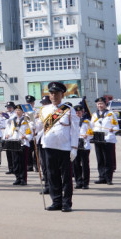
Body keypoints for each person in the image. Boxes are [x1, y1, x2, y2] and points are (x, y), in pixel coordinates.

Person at [40, 82, 79, 212]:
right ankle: (56, 201)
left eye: (56, 93)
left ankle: (66, 203)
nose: (54, 96)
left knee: (66, 177)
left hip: (64, 147)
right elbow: (40, 127)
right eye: (51, 93)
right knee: (52, 175)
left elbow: (75, 130)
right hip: (49, 146)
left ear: (62, 94)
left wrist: (74, 147)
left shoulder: (68, 109)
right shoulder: (44, 110)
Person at [91, 96, 117, 185]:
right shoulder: (94, 115)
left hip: (108, 139)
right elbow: (91, 126)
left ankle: (109, 178)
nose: (100, 105)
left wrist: (112, 130)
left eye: (101, 103)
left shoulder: (111, 114)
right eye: (98, 104)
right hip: (98, 139)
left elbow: (116, 127)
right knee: (100, 159)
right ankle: (101, 177)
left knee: (108, 159)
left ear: (105, 104)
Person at [3, 105, 31, 186]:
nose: (17, 112)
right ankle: (17, 178)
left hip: (23, 142)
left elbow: (29, 130)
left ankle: (23, 179)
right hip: (14, 142)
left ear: (22, 111)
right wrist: (8, 135)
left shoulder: (26, 119)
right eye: (16, 110)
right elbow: (11, 130)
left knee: (22, 162)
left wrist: (26, 136)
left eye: (19, 110)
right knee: (15, 162)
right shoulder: (13, 120)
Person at [73, 104, 92, 189]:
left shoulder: (87, 122)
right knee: (76, 164)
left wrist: (87, 136)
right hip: (75, 145)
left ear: (82, 112)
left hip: (84, 145)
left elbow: (91, 134)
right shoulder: (71, 122)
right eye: (76, 112)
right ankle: (78, 181)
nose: (78, 114)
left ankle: (85, 183)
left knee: (85, 165)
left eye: (79, 112)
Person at [2, 102, 16, 175]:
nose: (8, 108)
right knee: (8, 153)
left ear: (13, 107)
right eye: (7, 107)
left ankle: (14, 168)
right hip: (6, 135)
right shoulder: (7, 115)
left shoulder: (15, 114)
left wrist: (7, 117)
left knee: (13, 153)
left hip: (12, 136)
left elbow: (11, 122)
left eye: (10, 107)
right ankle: (10, 168)